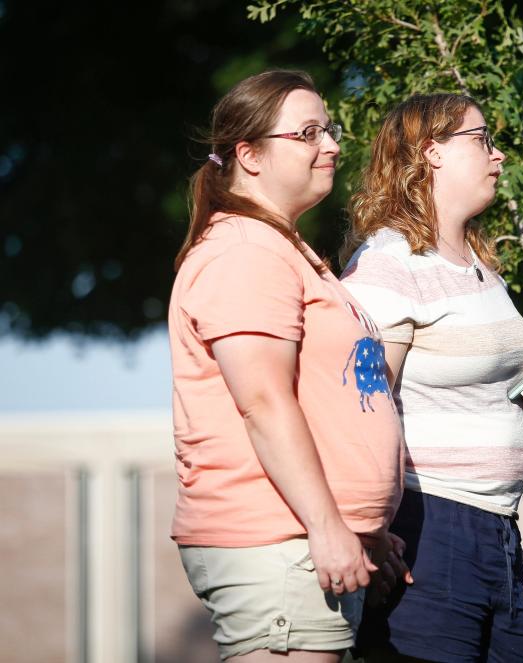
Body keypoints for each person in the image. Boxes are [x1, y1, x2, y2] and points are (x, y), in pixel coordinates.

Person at [168, 69, 410, 663]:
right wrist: (328, 528)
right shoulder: (246, 252)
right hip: (276, 543)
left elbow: (325, 404)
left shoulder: (283, 248)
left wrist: (361, 525)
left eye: (327, 131)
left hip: (304, 540)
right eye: (307, 133)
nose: (330, 145)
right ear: (249, 155)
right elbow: (264, 403)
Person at [340, 93, 523, 662]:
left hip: (498, 527)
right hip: (430, 524)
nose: (499, 155)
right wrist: (369, 526)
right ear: (430, 152)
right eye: (481, 139)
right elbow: (364, 403)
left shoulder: (477, 262)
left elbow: (462, 379)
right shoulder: (389, 262)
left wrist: (521, 389)